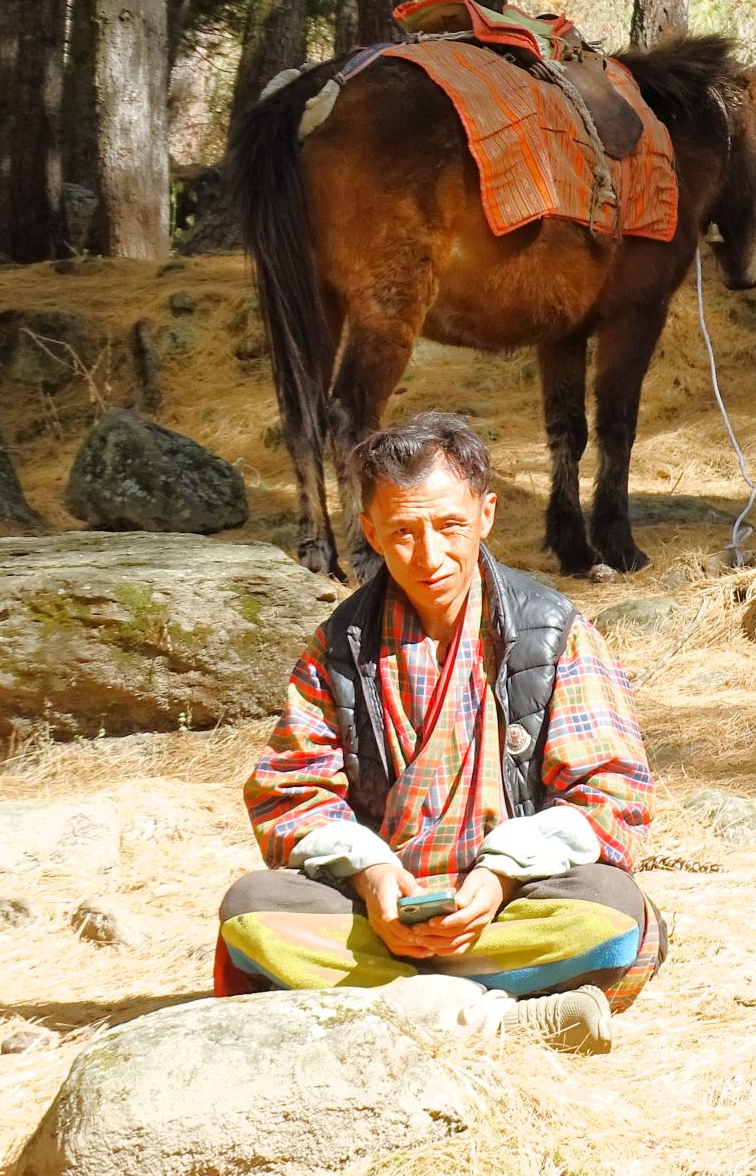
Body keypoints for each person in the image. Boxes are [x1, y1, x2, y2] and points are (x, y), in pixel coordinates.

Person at [216, 412, 662, 1051]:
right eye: (401, 532)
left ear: (486, 514)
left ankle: (390, 1003)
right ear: (369, 530)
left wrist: (502, 874)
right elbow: (290, 796)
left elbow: (610, 796)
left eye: (450, 526)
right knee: (252, 912)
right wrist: (372, 878)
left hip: (508, 908)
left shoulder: (551, 632)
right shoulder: (338, 648)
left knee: (605, 909)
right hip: (378, 914)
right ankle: (495, 1018)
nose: (428, 556)